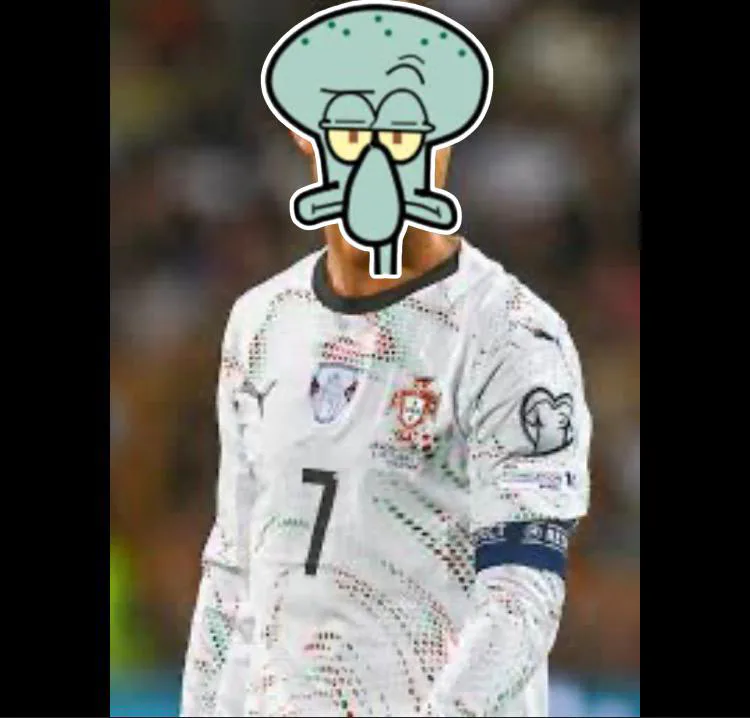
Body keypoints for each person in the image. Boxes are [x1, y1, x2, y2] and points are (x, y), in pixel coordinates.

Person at [180, 128, 591, 717]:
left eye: (402, 131)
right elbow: (232, 570)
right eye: (352, 128)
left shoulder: (511, 334)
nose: (377, 155)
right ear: (303, 133)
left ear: (449, 135)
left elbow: (523, 594)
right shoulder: (263, 320)